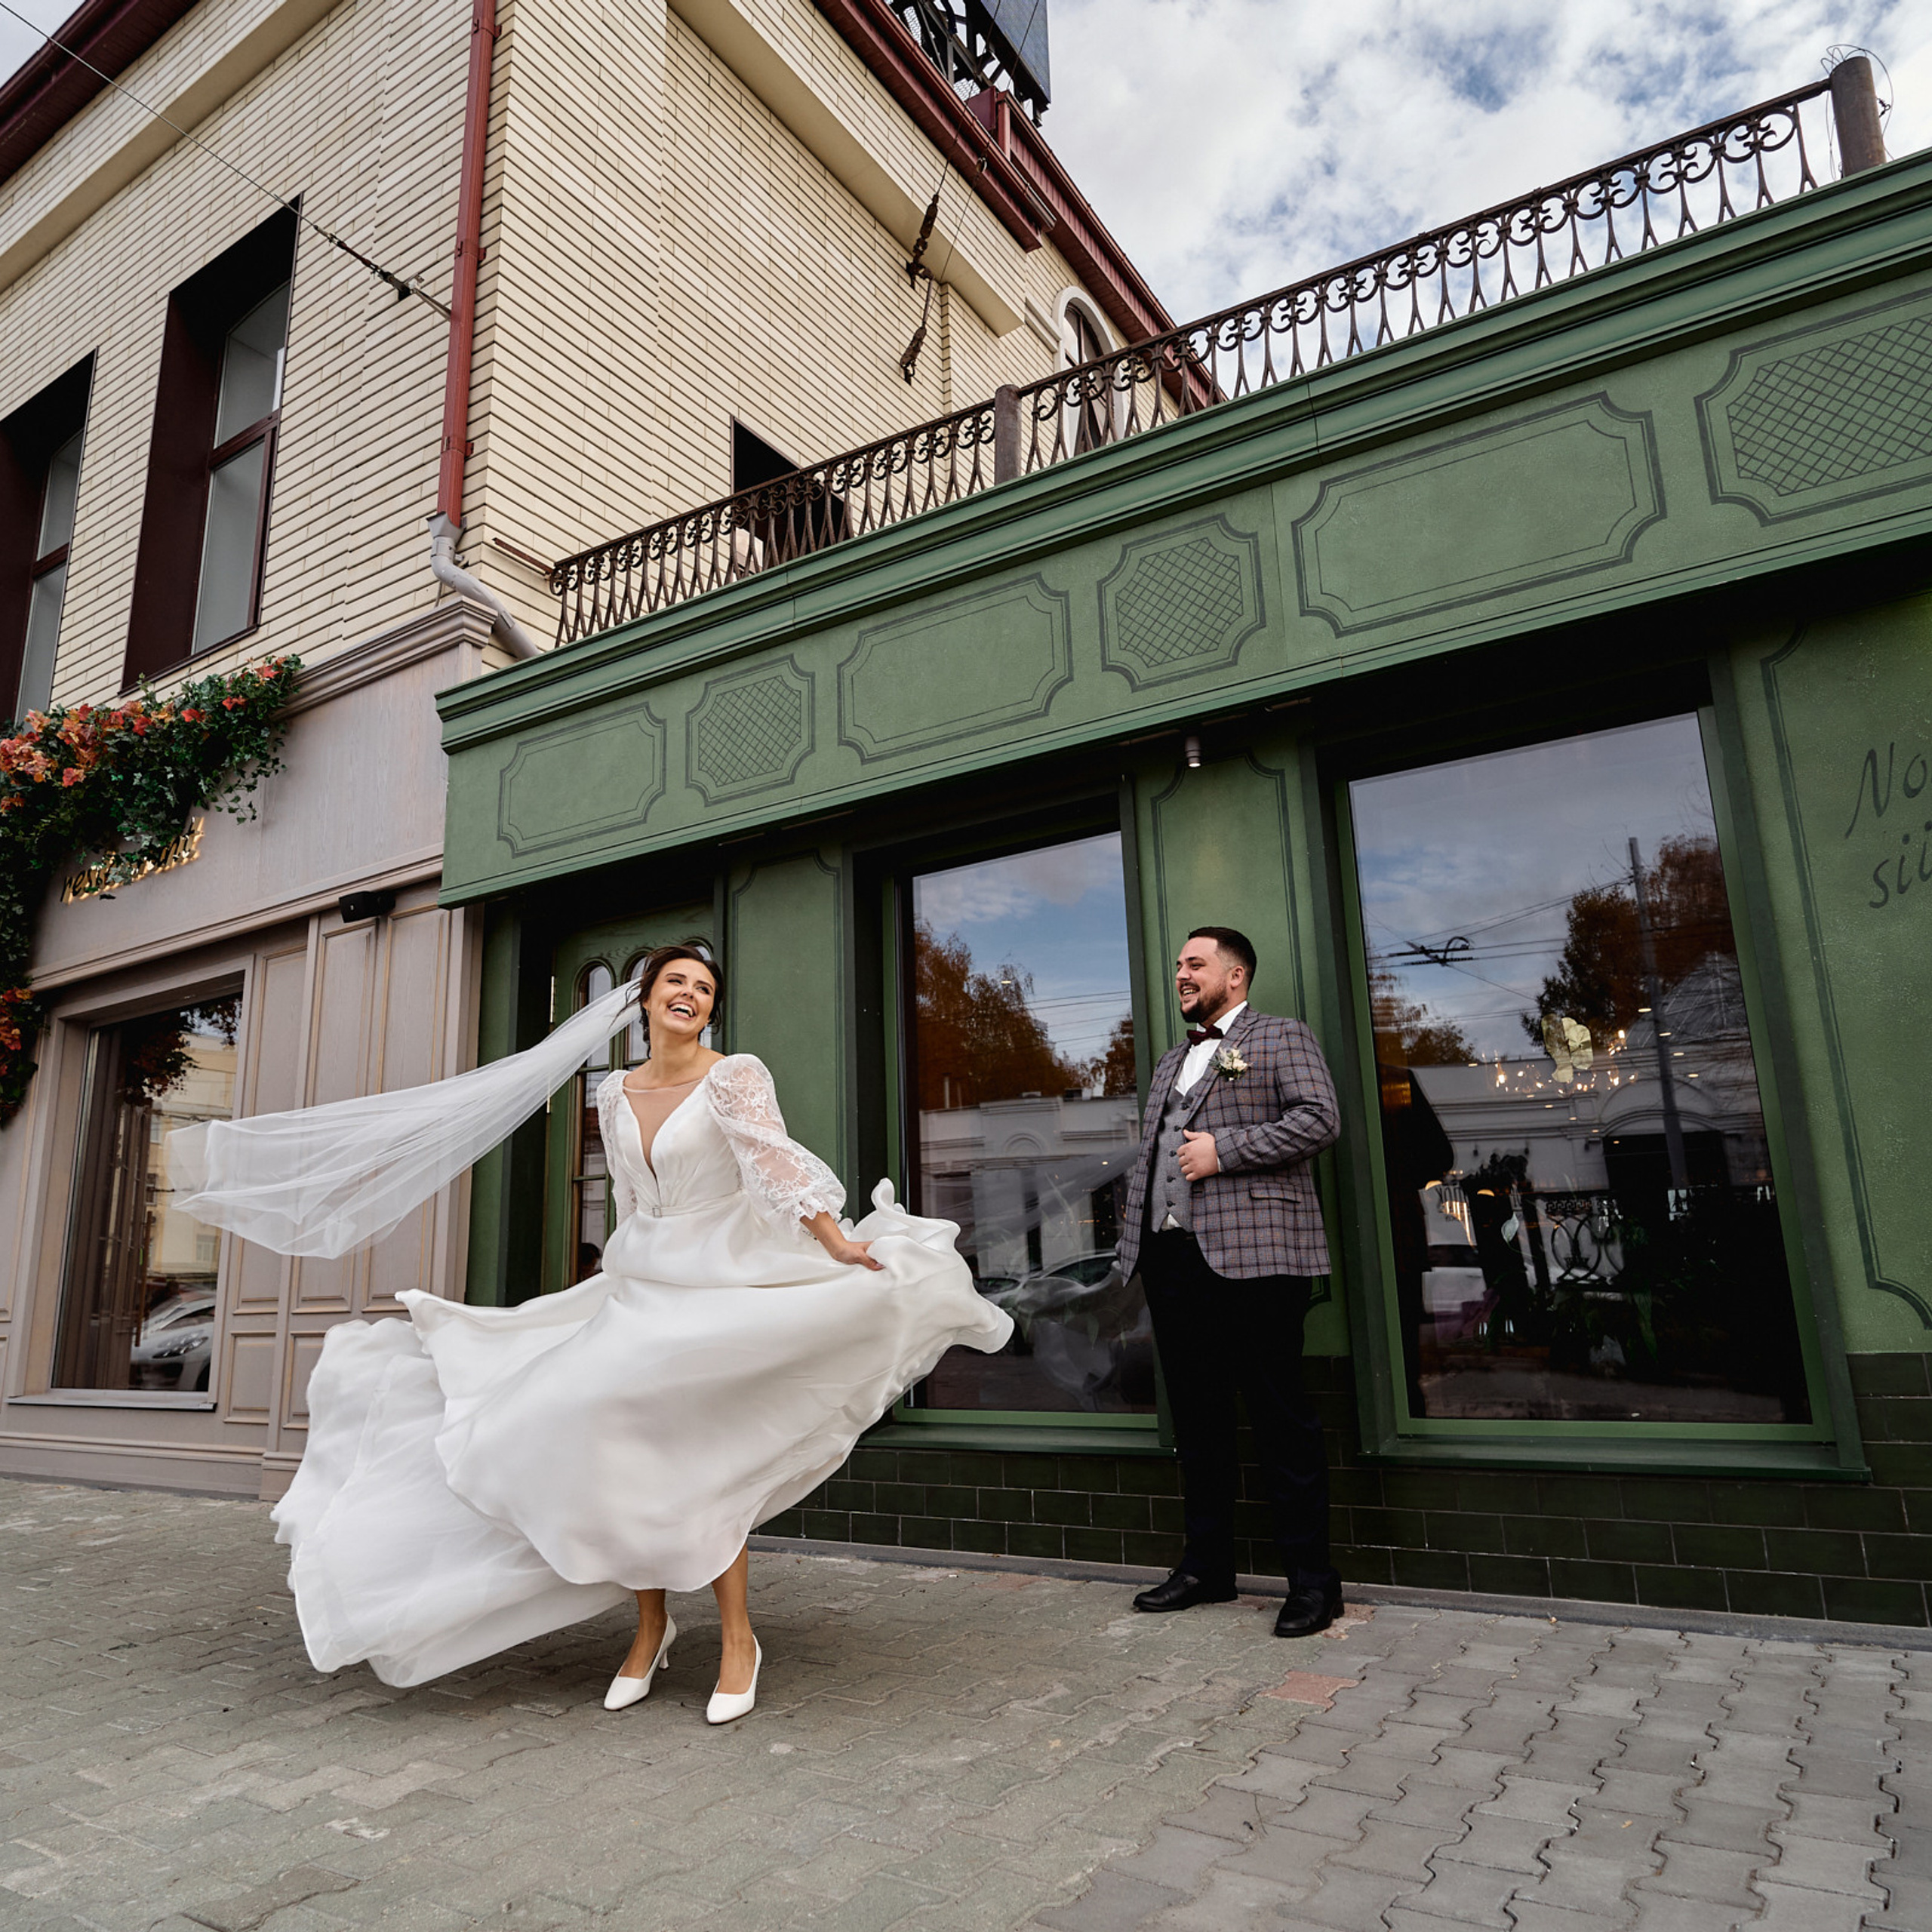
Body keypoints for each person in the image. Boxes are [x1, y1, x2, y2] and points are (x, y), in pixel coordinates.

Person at [205, 943, 1012, 1712]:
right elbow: (628, 1195)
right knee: (604, 1437)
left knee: (701, 1453)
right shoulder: (611, 1091)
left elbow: (774, 1162)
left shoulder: (734, 1076)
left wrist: (837, 1240)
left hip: (722, 1280)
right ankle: (651, 1623)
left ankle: (738, 1639)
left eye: (704, 989)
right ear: (646, 997)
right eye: (677, 983)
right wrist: (604, 1283)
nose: (690, 995)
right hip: (641, 1283)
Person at [1117, 926, 1344, 1638]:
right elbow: (1155, 1156)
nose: (1181, 973)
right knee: (1198, 1421)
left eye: (1195, 964)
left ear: (1236, 975)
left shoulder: (1281, 1037)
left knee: (1281, 1419)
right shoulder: (1167, 1062)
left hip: (1256, 1258)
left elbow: (1320, 1119)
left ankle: (1313, 1583)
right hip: (1174, 1262)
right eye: (1178, 963)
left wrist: (1227, 1151)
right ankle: (1207, 1568)